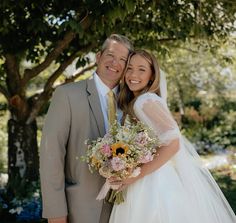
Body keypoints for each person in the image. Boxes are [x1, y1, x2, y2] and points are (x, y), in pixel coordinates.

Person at [109, 50, 236, 223]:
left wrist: (135, 176)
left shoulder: (144, 101)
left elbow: (174, 142)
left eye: (141, 69)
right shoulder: (144, 100)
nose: (133, 75)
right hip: (156, 176)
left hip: (151, 183)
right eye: (129, 68)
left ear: (152, 75)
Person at [40, 34, 133, 223]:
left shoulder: (133, 102)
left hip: (126, 208)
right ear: (98, 56)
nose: (115, 63)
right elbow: (51, 155)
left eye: (123, 59)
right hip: (80, 209)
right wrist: (55, 213)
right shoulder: (67, 95)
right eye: (111, 55)